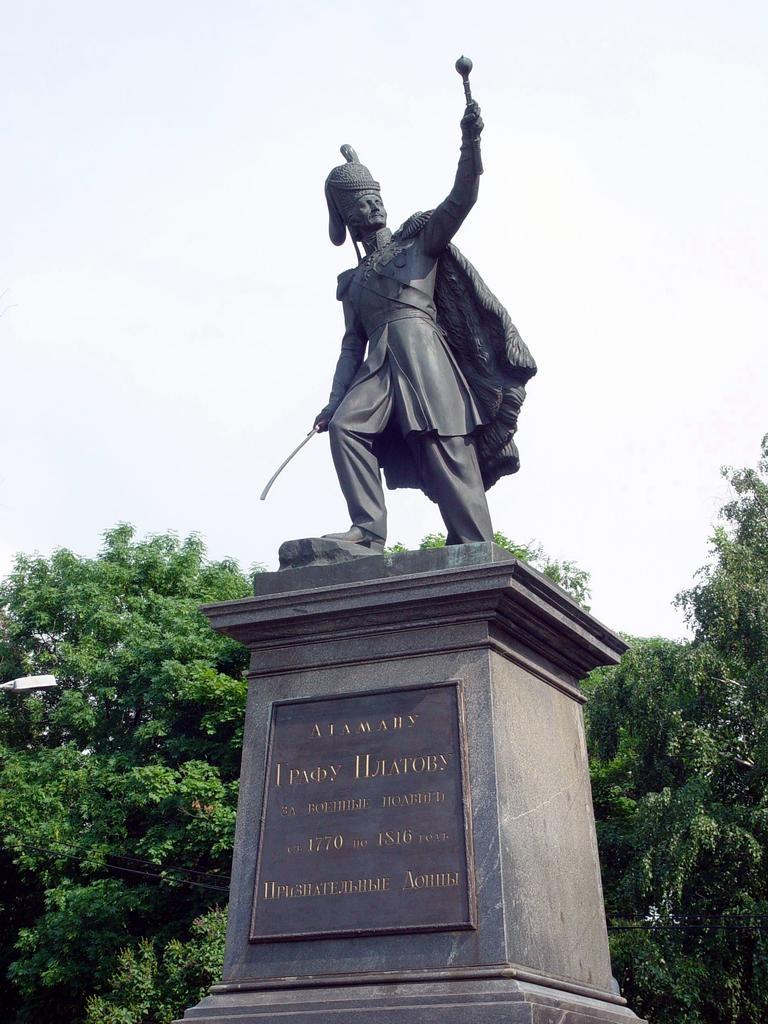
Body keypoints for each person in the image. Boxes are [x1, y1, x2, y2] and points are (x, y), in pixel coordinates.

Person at [316, 102, 536, 552]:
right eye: (362, 202)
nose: (374, 205)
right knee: (345, 428)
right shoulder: (353, 283)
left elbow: (461, 199)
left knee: (447, 452)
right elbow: (351, 346)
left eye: (376, 197)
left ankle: (475, 546)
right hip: (378, 368)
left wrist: (471, 143)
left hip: (424, 358)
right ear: (350, 219)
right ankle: (367, 530)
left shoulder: (418, 244)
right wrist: (334, 400)